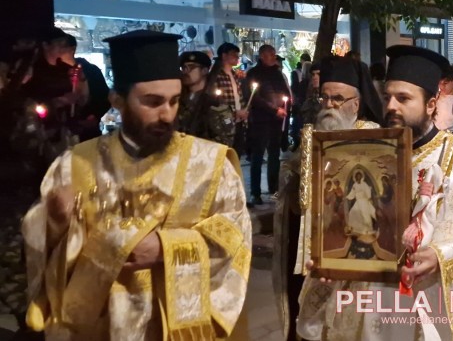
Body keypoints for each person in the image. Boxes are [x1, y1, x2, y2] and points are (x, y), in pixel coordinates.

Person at [22, 30, 251, 339]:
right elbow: (39, 247)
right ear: (118, 100)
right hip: (102, 326)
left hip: (177, 327)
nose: (166, 114)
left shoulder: (210, 164)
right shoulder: (75, 164)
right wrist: (57, 222)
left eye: (174, 101)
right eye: (152, 102)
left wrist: (165, 247)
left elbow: (235, 236)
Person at [297, 45, 453, 340]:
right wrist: (330, 259)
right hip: (369, 308)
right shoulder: (363, 156)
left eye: (403, 98)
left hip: (431, 307)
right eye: (387, 97)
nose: (391, 107)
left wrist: (442, 256)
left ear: (431, 104)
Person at [274, 57, 380, 341]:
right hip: (310, 251)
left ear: (355, 104)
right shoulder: (313, 134)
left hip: (351, 250)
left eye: (338, 98)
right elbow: (293, 187)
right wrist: (293, 176)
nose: (330, 105)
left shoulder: (374, 137)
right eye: (325, 97)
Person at [244, 44, 292, 206]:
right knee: (257, 156)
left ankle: (273, 189)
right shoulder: (253, 74)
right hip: (261, 121)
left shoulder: (277, 73)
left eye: (274, 54)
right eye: (271, 54)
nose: (274, 57)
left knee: (274, 156)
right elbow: (254, 97)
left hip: (276, 122)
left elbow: (285, 91)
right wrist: (274, 109)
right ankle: (255, 192)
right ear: (262, 56)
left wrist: (287, 105)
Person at [209, 42, 249, 153]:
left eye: (238, 54)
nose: (237, 57)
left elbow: (240, 96)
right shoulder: (216, 76)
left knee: (237, 153)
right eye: (234, 54)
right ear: (224, 55)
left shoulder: (236, 75)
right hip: (225, 123)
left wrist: (244, 111)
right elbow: (215, 101)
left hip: (239, 121)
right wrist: (234, 112)